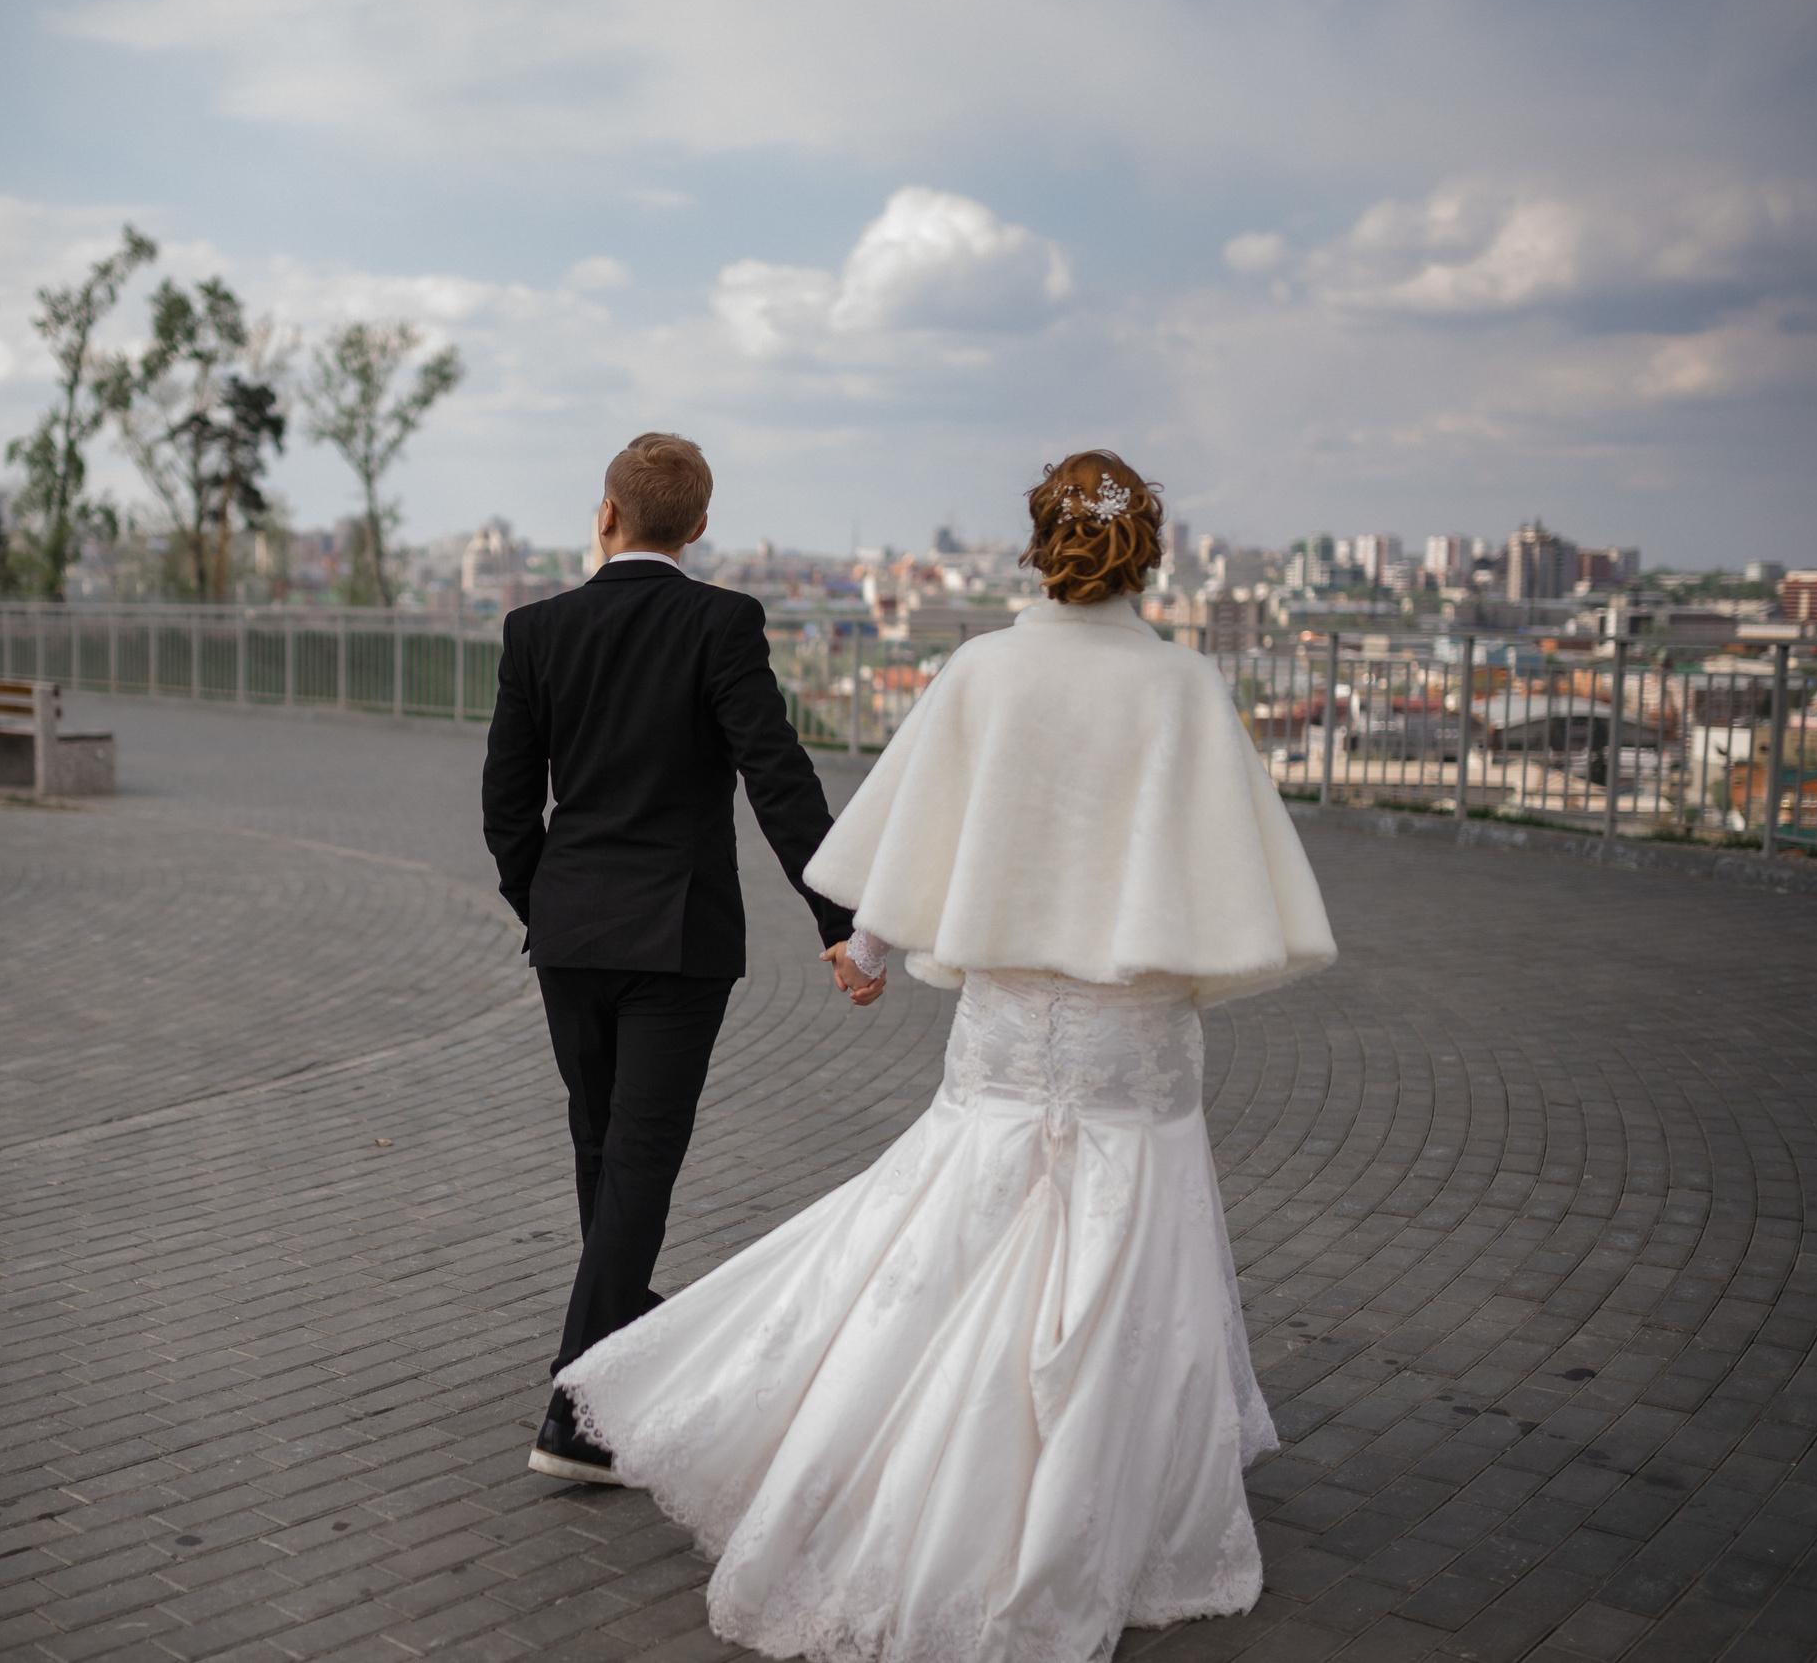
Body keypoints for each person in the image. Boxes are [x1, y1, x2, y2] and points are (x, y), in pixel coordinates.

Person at [557, 450, 1338, 1662]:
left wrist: (860, 947)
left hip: (1011, 1023)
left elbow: (923, 822)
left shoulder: (985, 668)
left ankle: (906, 1466)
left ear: (1038, 542)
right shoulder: (1185, 686)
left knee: (951, 1230)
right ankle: (1113, 1501)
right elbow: (1221, 866)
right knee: (1135, 1250)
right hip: (1133, 1032)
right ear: (1148, 552)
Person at [482, 431, 885, 1487]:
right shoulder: (721, 621)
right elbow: (775, 774)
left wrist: (545, 897)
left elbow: (505, 802)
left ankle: (623, 1336)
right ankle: (576, 1407)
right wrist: (834, 919)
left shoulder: (535, 629)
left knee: (601, 1149)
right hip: (676, 936)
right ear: (698, 526)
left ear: (603, 512)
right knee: (640, 1163)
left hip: (570, 933)